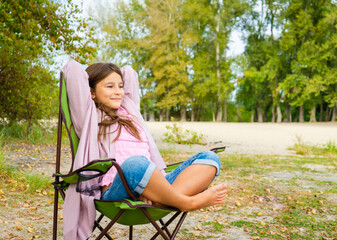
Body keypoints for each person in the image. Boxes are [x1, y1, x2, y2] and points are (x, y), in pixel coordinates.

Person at [61, 60, 227, 239]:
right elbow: (72, 70)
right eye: (109, 86)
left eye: (120, 86)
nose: (118, 92)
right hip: (116, 191)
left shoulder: (130, 111)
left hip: (154, 184)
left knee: (209, 158)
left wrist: (148, 190)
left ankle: (161, 198)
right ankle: (188, 202)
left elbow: (129, 72)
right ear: (91, 92)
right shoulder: (89, 116)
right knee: (135, 164)